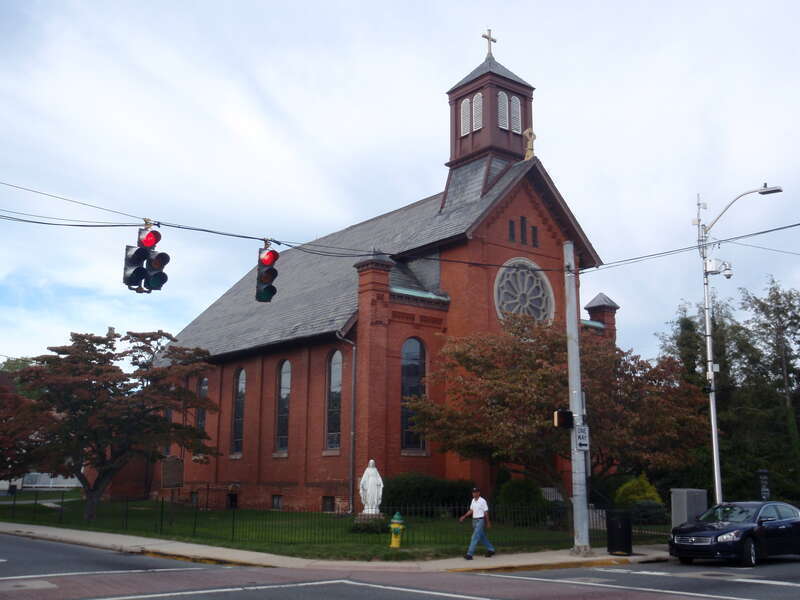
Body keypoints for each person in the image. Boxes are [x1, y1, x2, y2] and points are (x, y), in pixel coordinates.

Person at [459, 487, 495, 559]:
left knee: (474, 537)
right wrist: (464, 516)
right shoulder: (473, 500)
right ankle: (491, 549)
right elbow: (471, 510)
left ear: (479, 493)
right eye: (473, 492)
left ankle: (469, 554)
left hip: (480, 520)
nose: (474, 493)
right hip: (474, 521)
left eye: (476, 492)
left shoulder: (482, 501)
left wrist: (488, 522)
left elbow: (486, 512)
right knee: (482, 537)